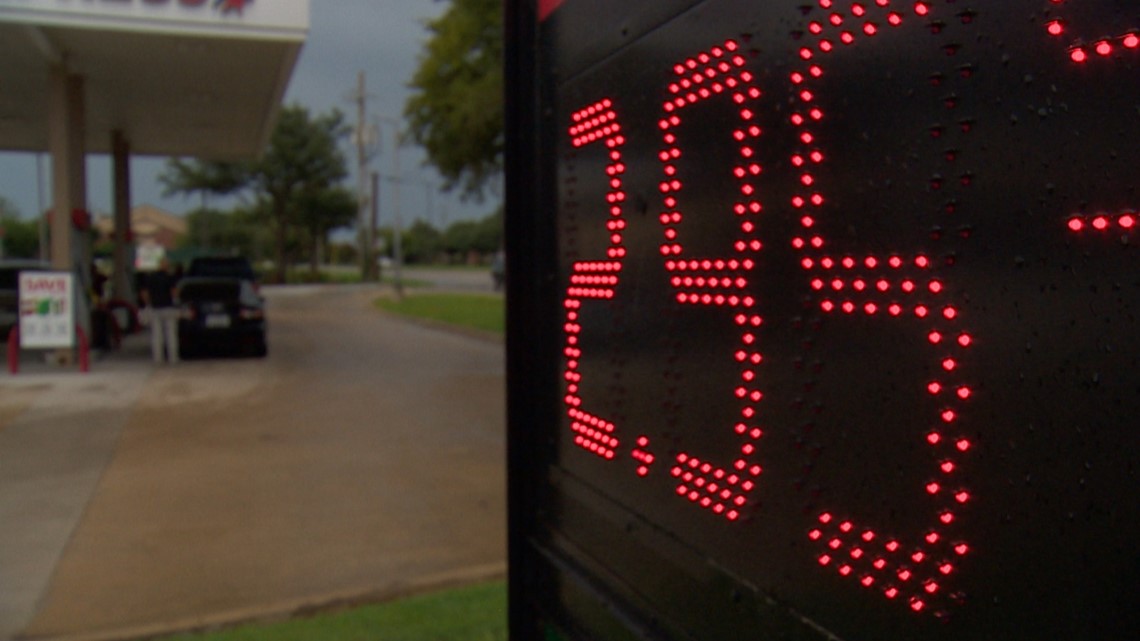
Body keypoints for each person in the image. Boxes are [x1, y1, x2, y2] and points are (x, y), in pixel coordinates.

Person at [140, 259, 180, 363]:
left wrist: (149, 302)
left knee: (156, 335)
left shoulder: (150, 277)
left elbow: (144, 293)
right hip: (168, 308)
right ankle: (173, 358)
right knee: (171, 334)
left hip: (155, 308)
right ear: (167, 266)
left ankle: (158, 358)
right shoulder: (170, 278)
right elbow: (174, 293)